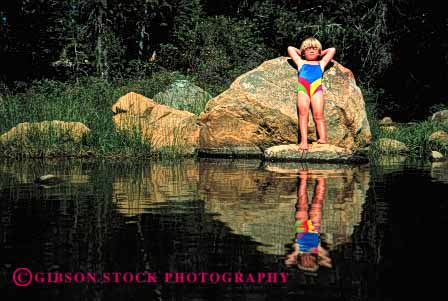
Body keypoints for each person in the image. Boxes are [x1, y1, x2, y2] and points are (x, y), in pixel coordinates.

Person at [287, 38, 336, 151]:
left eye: (314, 48)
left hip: (316, 90)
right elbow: (290, 49)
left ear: (319, 51)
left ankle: (323, 138)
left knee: (318, 115)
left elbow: (332, 50)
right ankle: (304, 141)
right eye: (308, 49)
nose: (311, 51)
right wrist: (302, 52)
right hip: (303, 90)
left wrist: (320, 53)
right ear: (303, 52)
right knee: (303, 114)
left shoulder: (321, 63)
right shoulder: (301, 62)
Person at [284, 170, 332, 272]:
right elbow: (328, 261)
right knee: (318, 201)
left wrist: (295, 259)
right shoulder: (317, 250)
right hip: (314, 227)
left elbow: (287, 261)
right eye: (310, 263)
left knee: (301, 202)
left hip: (302, 228)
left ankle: (303, 178)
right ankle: (321, 178)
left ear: (300, 260)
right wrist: (320, 261)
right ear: (314, 260)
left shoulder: (298, 250)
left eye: (305, 263)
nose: (307, 261)